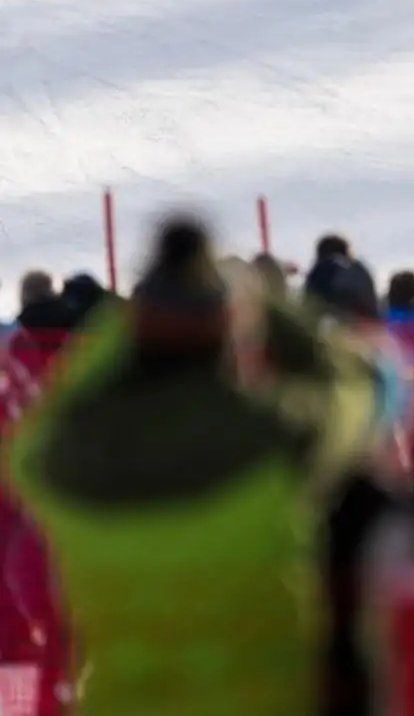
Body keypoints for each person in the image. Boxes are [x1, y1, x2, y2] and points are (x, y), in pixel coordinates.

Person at [5, 215, 383, 716]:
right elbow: (355, 385)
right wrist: (261, 299)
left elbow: (46, 418)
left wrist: (130, 321)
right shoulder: (278, 441)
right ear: (229, 334)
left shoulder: (64, 465)